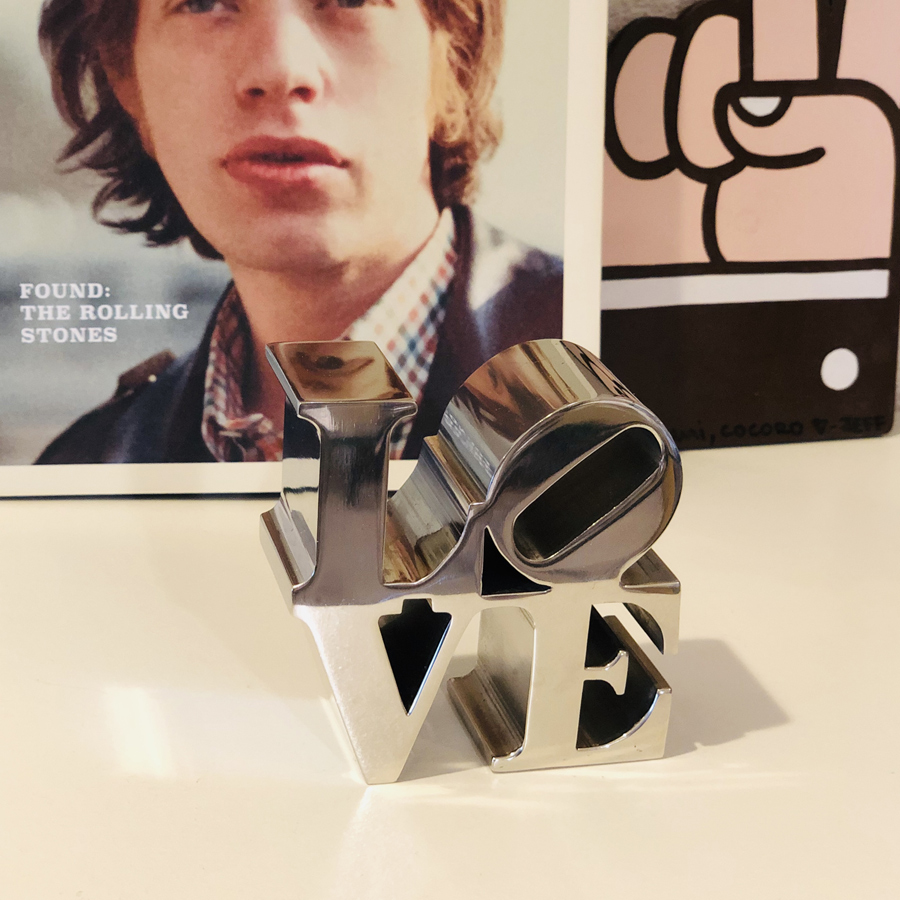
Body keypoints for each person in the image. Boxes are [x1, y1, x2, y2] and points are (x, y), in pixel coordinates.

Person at [34, 0, 562, 464]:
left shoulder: (602, 377)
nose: (281, 69)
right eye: (203, 2)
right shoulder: (76, 481)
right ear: (127, 82)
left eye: (349, 0)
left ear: (452, 58)